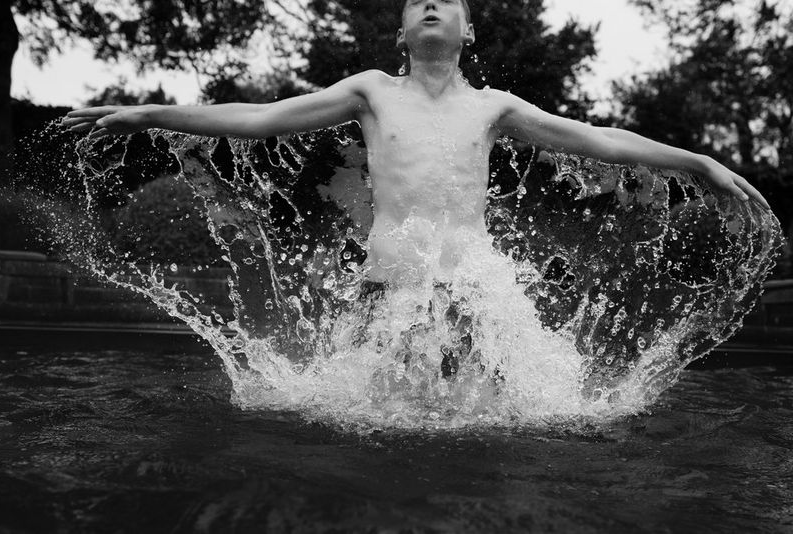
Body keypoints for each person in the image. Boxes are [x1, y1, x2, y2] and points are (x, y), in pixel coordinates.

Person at [62, 0, 770, 376]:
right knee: (374, 426)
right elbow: (258, 119)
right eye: (417, 2)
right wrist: (148, 112)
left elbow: (603, 140)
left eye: (446, 2)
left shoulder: (496, 108)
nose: (431, 5)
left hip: (473, 290)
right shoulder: (372, 92)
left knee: (484, 430)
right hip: (387, 283)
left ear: (468, 30)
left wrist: (699, 163)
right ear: (402, 30)